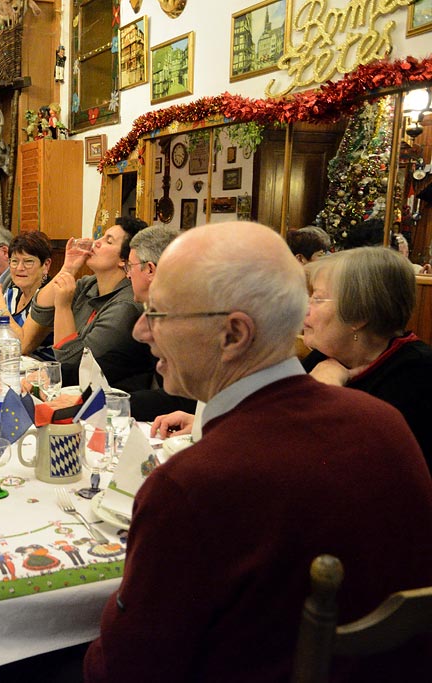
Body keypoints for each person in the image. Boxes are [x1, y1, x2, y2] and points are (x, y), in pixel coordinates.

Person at [85, 222, 432, 681]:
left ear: (233, 335)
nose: (141, 331)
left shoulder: (191, 485)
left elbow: (125, 668)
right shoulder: (384, 424)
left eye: (159, 314)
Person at [302, 246, 432, 470]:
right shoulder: (322, 358)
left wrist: (323, 393)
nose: (306, 308)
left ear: (360, 315)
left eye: (318, 299)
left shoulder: (419, 377)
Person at [25, 216, 154, 389]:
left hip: (106, 400)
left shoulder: (126, 306)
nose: (96, 243)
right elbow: (41, 311)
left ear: (125, 259)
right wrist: (68, 268)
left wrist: (63, 307)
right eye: (100, 237)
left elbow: (73, 363)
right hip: (74, 388)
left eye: (108, 241)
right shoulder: (90, 283)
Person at [122, 224, 197, 421]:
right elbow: (122, 360)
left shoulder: (187, 317)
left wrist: (109, 405)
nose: (128, 274)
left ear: (150, 269)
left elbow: (182, 398)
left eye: (130, 266)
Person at [0, 230, 55, 360]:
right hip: (13, 366)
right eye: (14, 261)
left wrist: (0, 309)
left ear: (45, 265)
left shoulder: (47, 296)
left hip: (43, 373)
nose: (19, 268)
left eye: (28, 261)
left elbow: (23, 346)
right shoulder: (12, 293)